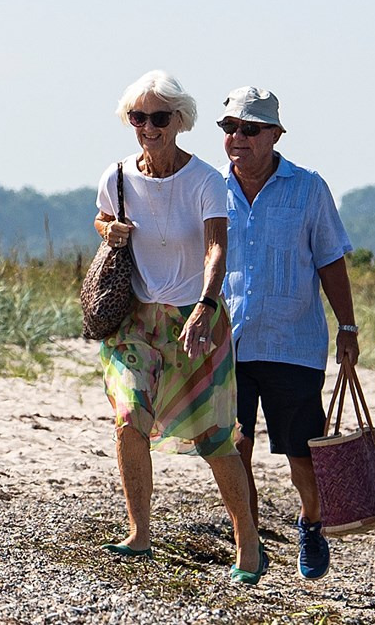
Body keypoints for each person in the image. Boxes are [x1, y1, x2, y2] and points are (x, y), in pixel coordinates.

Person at [92, 72, 265, 581]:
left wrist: (207, 304)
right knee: (129, 419)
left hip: (197, 317)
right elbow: (101, 218)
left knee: (215, 438)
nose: (148, 127)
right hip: (134, 321)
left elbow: (217, 247)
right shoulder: (117, 175)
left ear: (180, 122)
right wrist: (110, 228)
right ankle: (139, 533)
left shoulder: (206, 180)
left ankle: (248, 544)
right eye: (138, 117)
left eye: (159, 118)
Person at [211, 86, 358, 581]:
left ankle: (311, 523)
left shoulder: (308, 188)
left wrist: (348, 327)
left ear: (274, 134)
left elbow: (331, 259)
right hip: (227, 341)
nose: (238, 138)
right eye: (229, 127)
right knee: (235, 446)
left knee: (302, 454)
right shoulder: (210, 189)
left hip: (292, 343)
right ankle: (248, 540)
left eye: (250, 129)